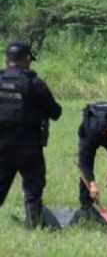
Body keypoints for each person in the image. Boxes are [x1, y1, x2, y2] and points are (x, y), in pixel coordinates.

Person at [0, 41, 62, 228]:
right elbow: (56, 112)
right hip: (28, 146)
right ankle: (34, 226)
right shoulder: (34, 84)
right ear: (27, 59)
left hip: (1, 145)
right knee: (33, 189)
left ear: (6, 60)